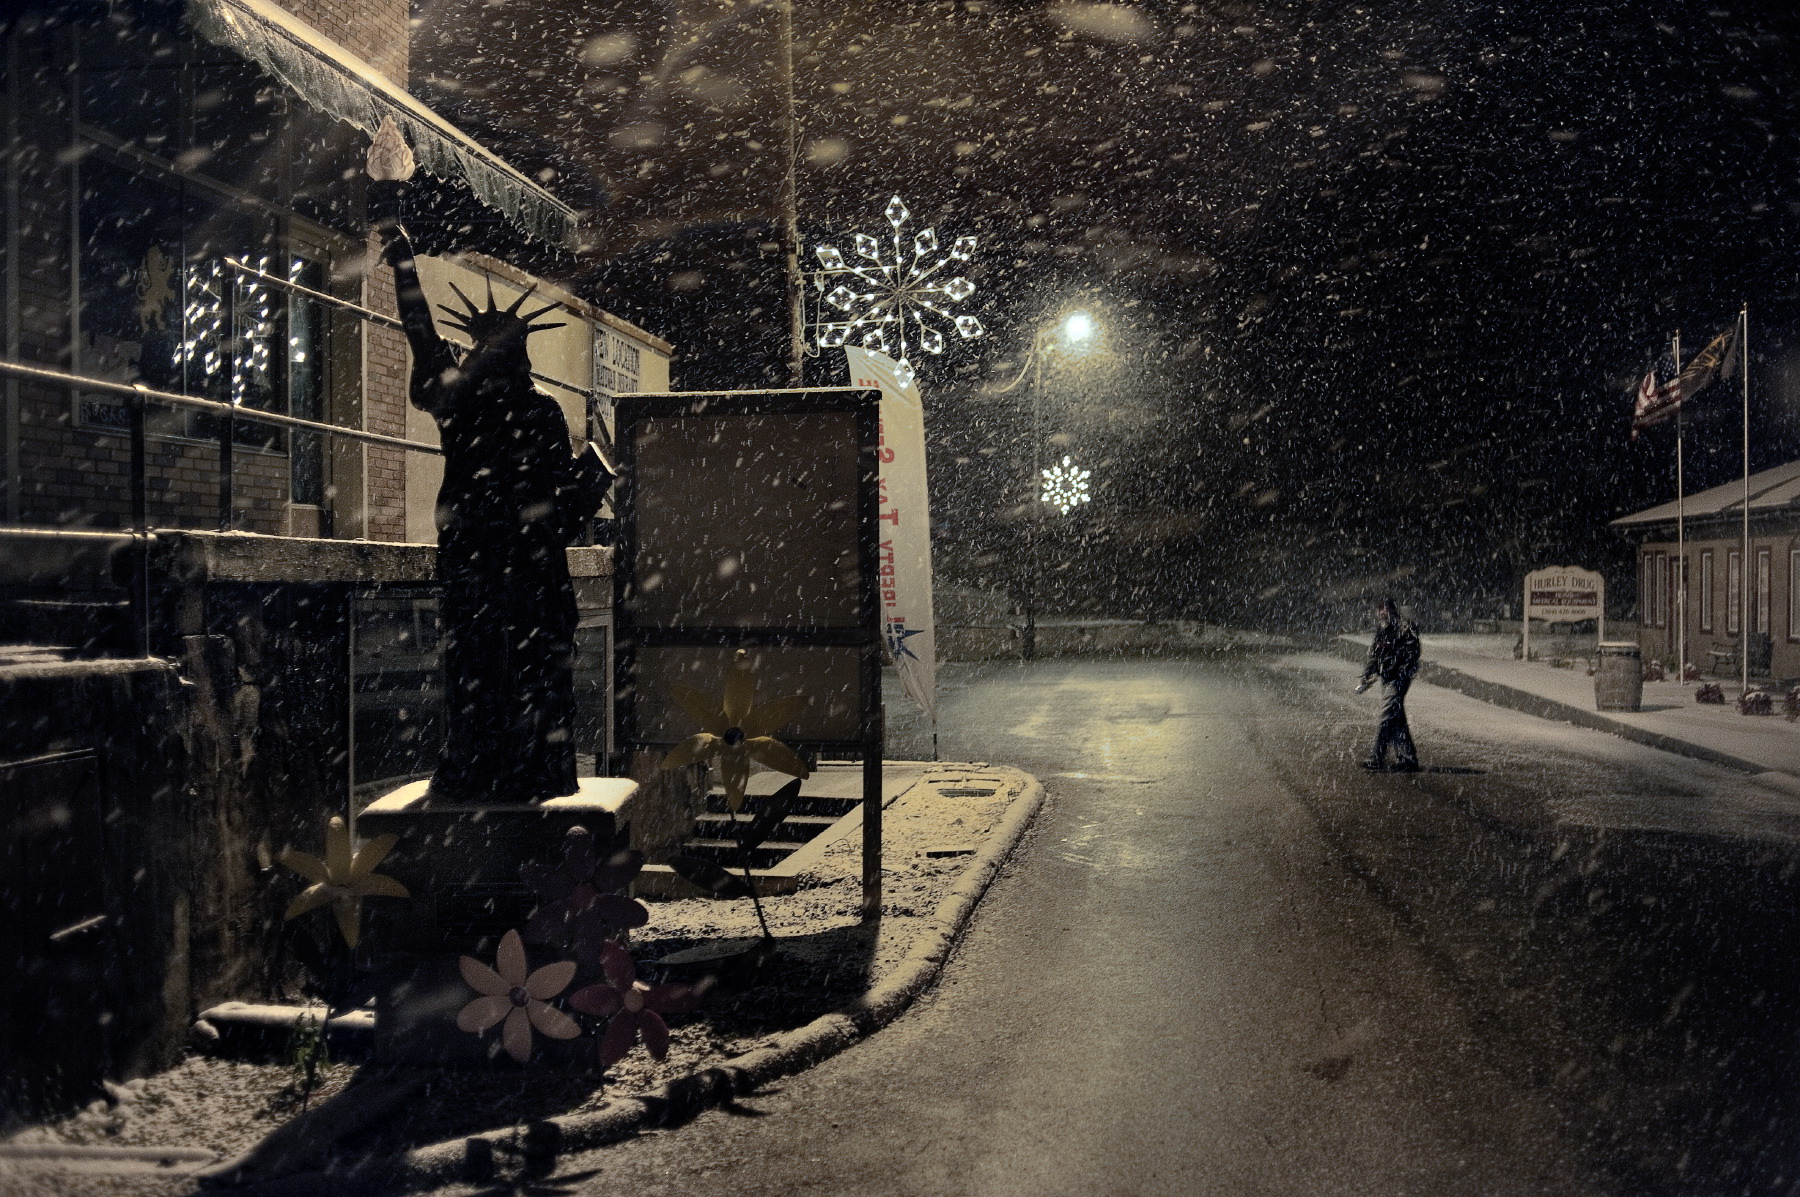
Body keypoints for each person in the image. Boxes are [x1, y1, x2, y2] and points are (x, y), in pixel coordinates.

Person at [370, 176, 612, 804]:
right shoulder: (541, 411)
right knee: (530, 671)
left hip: (473, 560)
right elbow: (566, 506)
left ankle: (474, 764)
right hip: (529, 567)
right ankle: (533, 767)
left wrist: (403, 259)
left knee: (475, 666)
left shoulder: (459, 401)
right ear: (522, 355)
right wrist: (594, 479)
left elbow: (419, 330)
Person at [1356, 597, 1421, 772]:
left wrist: (1396, 667)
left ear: (1393, 610)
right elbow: (1375, 653)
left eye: (1385, 608)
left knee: (1387, 716)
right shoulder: (1382, 629)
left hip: (1399, 678)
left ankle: (1377, 757)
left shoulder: (1406, 627)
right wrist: (1367, 673)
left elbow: (1412, 652)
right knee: (1396, 718)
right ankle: (1408, 759)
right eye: (1380, 609)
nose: (1382, 612)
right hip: (1387, 677)